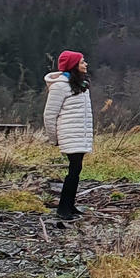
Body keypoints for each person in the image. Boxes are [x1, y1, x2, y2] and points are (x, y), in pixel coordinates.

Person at [42, 50, 95, 220]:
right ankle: (63, 209)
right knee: (74, 170)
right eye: (81, 62)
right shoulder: (60, 86)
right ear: (73, 65)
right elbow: (49, 115)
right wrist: (54, 138)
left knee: (76, 169)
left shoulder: (81, 84)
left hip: (79, 135)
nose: (85, 64)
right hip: (70, 135)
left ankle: (69, 206)